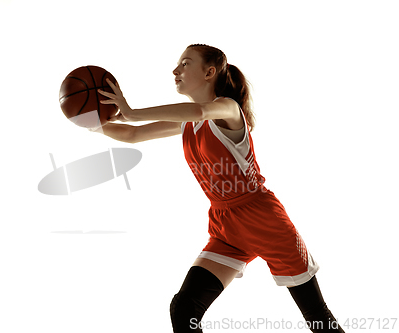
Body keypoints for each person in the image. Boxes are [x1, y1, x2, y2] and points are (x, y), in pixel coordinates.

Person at [93, 44, 345, 332]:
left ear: (209, 72)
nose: (175, 70)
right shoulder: (187, 121)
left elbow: (200, 110)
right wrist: (87, 119)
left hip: (263, 219)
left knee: (318, 319)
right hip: (227, 226)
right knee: (184, 307)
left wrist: (133, 111)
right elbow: (132, 133)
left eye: (185, 64)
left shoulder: (228, 108)